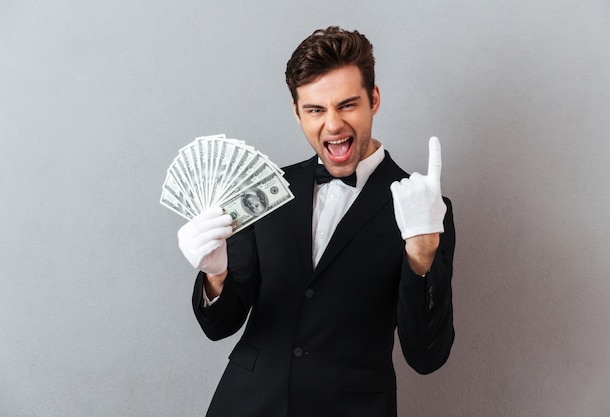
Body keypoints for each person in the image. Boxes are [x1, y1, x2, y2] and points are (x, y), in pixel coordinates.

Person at [177, 26, 455, 417]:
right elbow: (220, 326)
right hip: (247, 403)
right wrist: (215, 277)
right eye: (315, 110)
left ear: (373, 99)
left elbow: (427, 355)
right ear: (296, 112)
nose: (333, 125)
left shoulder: (424, 207)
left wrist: (422, 254)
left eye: (347, 105)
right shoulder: (263, 193)